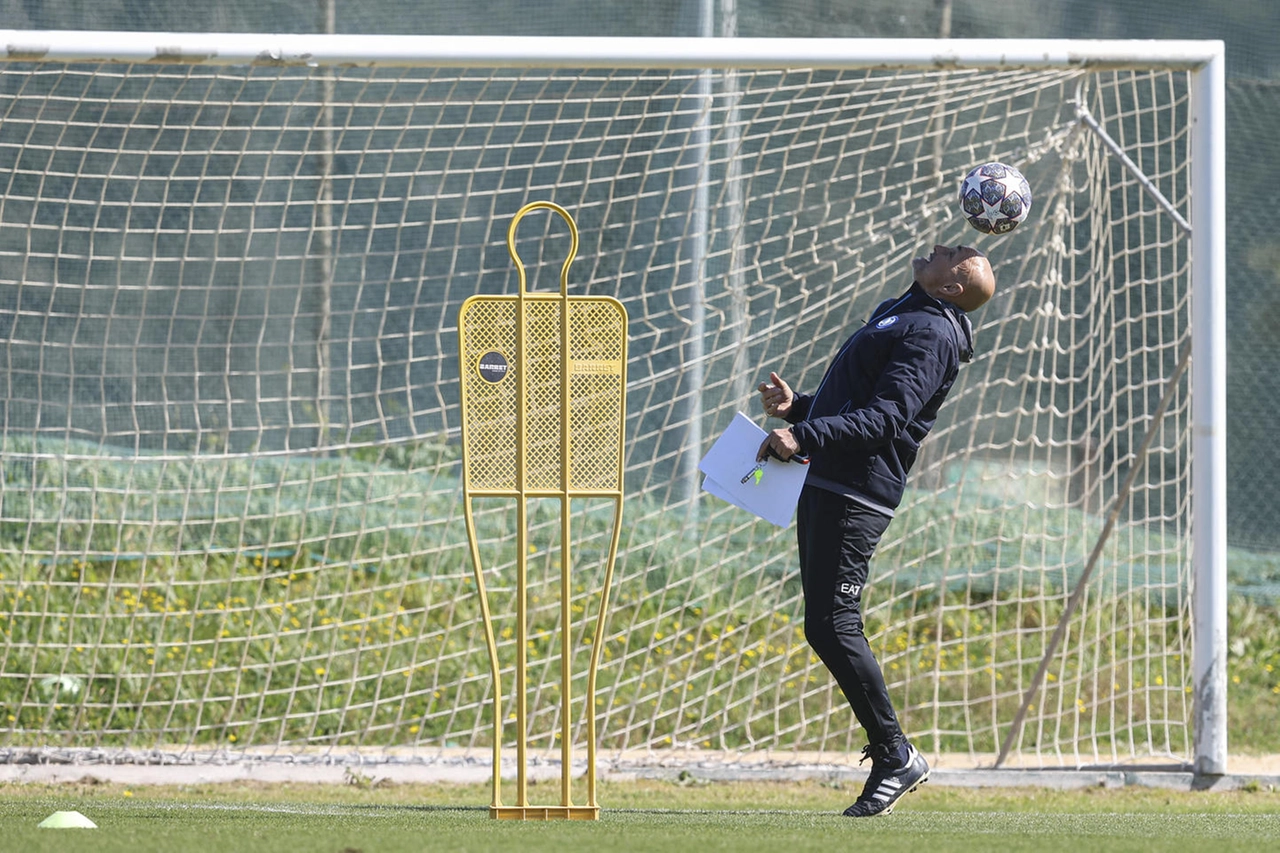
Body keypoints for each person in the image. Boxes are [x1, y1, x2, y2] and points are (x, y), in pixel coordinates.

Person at [756, 243, 995, 817]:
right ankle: (894, 752)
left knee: (834, 623)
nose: (944, 245)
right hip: (829, 483)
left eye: (956, 254)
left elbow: (888, 418)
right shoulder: (904, 311)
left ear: (952, 289)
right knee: (823, 625)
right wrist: (799, 411)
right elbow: (858, 402)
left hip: (855, 493)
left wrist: (805, 438)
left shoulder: (932, 335)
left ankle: (895, 754)